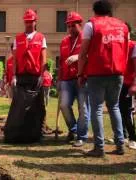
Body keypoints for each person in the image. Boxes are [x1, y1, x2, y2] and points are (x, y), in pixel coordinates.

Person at [78, 0, 129, 157]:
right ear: (110, 11)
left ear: (95, 11)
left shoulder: (91, 25)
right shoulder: (123, 26)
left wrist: (80, 73)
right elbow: (126, 49)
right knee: (114, 107)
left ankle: (99, 147)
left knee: (97, 108)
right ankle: (120, 144)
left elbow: (83, 53)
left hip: (97, 73)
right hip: (118, 72)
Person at [4, 9, 47, 143]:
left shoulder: (41, 38)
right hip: (22, 76)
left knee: (37, 106)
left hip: (35, 77)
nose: (28, 24)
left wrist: (41, 75)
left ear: (35, 22)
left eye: (31, 21)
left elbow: (43, 58)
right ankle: (17, 135)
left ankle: (36, 134)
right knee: (19, 107)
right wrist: (14, 76)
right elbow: (15, 59)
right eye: (26, 22)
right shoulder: (18, 38)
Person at [58, 12, 90, 147]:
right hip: (66, 78)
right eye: (69, 26)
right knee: (64, 105)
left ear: (80, 25)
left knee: (83, 108)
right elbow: (60, 62)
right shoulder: (64, 41)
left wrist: (78, 56)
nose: (70, 28)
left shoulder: (87, 38)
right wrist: (59, 79)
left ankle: (81, 136)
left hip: (82, 77)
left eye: (73, 25)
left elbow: (92, 55)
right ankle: (73, 130)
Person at [119, 23, 136, 150]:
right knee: (118, 110)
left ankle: (132, 138)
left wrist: (134, 84)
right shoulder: (119, 45)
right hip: (118, 83)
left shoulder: (133, 45)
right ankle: (122, 135)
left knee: (127, 112)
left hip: (129, 83)